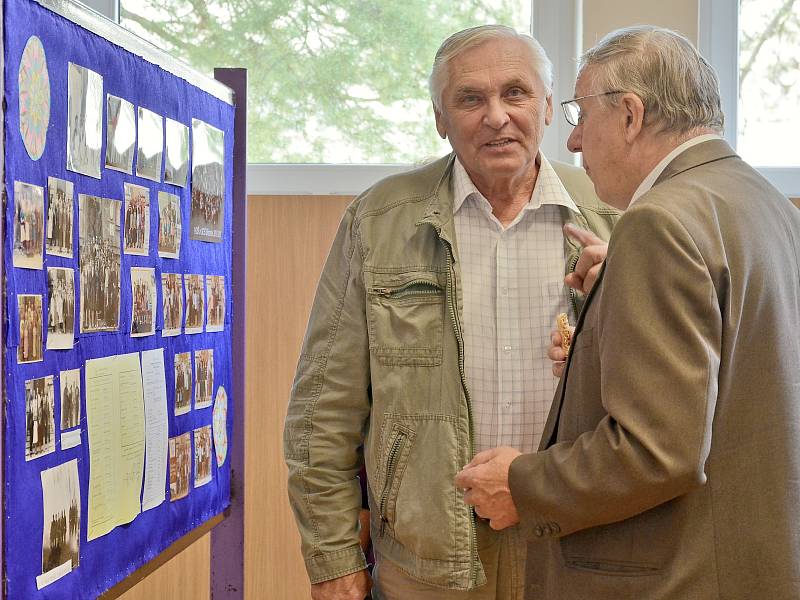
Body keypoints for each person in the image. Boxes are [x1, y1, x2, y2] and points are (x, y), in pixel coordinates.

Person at [455, 25, 800, 600]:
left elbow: (656, 451)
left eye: (578, 116)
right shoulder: (768, 206)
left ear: (631, 115)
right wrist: (616, 299)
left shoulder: (657, 223)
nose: (572, 144)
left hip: (676, 575)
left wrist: (522, 484)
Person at [283, 24, 618, 600]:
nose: (495, 116)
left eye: (515, 93)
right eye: (470, 98)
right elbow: (323, 409)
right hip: (426, 559)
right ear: (440, 118)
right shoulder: (381, 219)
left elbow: (656, 406)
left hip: (578, 551)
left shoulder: (614, 215)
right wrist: (334, 559)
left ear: (546, 105)